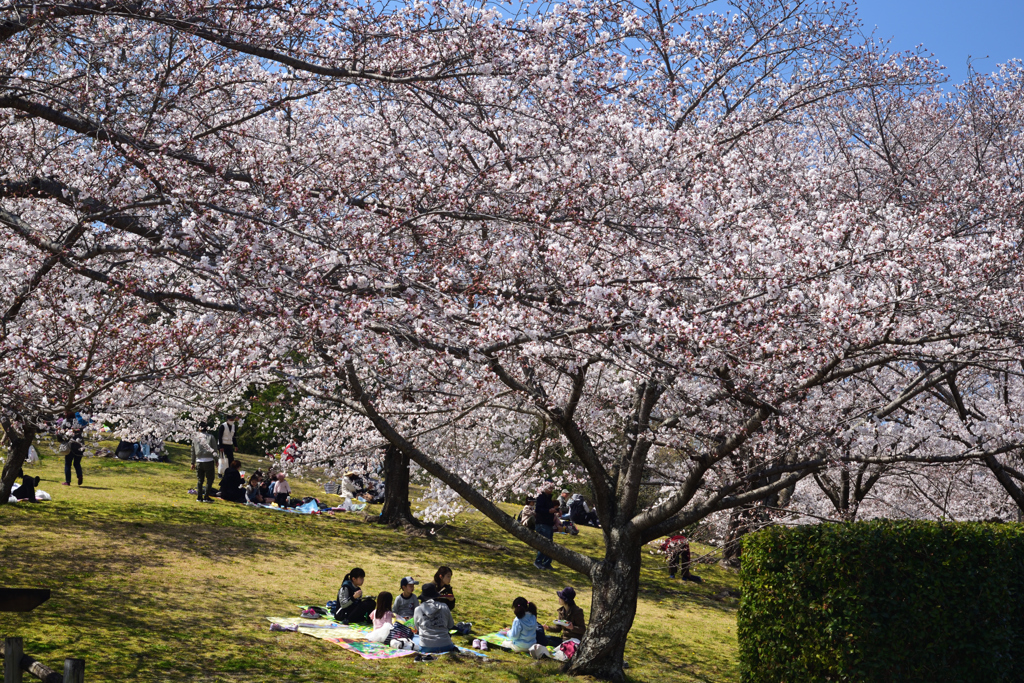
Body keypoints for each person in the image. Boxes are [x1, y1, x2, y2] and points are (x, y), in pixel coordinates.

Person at [414, 583, 456, 654]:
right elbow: (450, 625)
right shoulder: (444, 606)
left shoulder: (418, 609)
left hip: (426, 646)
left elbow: (417, 628)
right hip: (446, 644)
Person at [190, 418, 218, 502]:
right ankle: (206, 496)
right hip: (208, 460)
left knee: (200, 480)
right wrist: (216, 460)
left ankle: (199, 497)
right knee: (210, 479)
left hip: (199, 461)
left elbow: (193, 451)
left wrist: (192, 462)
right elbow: (214, 449)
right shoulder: (210, 437)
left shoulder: (195, 438)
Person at [534, 481, 559, 570]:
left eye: (552, 488)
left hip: (548, 523)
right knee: (544, 544)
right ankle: (538, 561)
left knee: (550, 544)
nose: (551, 490)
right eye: (550, 488)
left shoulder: (549, 498)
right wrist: (548, 511)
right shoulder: (541, 496)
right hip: (542, 523)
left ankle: (547, 563)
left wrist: (555, 511)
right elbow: (538, 509)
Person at [60, 413, 85, 487]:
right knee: (77, 463)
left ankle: (68, 481)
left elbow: (62, 432)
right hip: (80, 444)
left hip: (70, 445)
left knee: (68, 463)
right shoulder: (79, 422)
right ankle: (79, 475)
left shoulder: (66, 422)